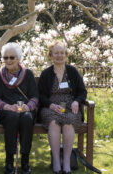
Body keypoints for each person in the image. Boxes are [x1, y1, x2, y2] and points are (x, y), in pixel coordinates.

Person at [38, 41, 87, 174]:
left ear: (66, 55)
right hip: (50, 107)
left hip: (70, 107)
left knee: (68, 121)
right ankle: (56, 162)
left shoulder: (72, 71)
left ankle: (66, 162)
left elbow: (83, 92)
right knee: (54, 123)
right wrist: (50, 105)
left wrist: (77, 101)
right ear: (51, 55)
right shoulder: (46, 73)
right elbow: (40, 95)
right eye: (56, 53)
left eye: (62, 53)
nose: (59, 56)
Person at [0, 42, 39, 174]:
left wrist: (28, 107)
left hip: (25, 110)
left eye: (12, 57)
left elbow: (35, 97)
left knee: (27, 119)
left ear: (18, 59)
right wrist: (7, 106)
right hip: (6, 112)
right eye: (5, 58)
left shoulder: (28, 74)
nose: (8, 60)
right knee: (12, 118)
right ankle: (9, 161)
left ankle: (25, 161)